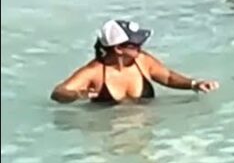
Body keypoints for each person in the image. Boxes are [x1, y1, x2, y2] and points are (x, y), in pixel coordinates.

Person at [51, 20, 218, 104]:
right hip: (109, 133)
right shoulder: (94, 72)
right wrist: (80, 94)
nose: (141, 46)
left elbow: (167, 77)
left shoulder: (142, 60)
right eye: (136, 44)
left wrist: (194, 84)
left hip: (144, 129)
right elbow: (58, 93)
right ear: (118, 49)